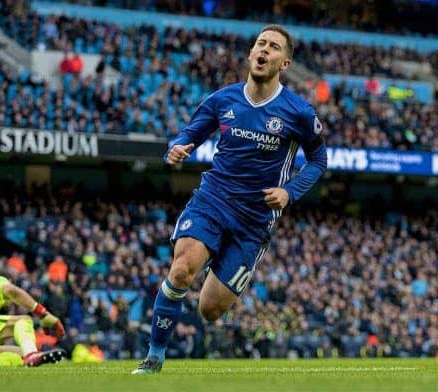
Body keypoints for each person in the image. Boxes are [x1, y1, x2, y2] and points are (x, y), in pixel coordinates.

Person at [133, 25, 327, 374]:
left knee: (209, 310)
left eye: (274, 47)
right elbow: (188, 134)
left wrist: (290, 191)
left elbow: (318, 161)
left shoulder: (299, 113)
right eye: (260, 44)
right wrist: (175, 148)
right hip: (213, 200)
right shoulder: (223, 99)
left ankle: (221, 264)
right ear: (252, 53)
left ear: (284, 62)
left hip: (254, 220)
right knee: (180, 271)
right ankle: (154, 358)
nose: (265, 50)